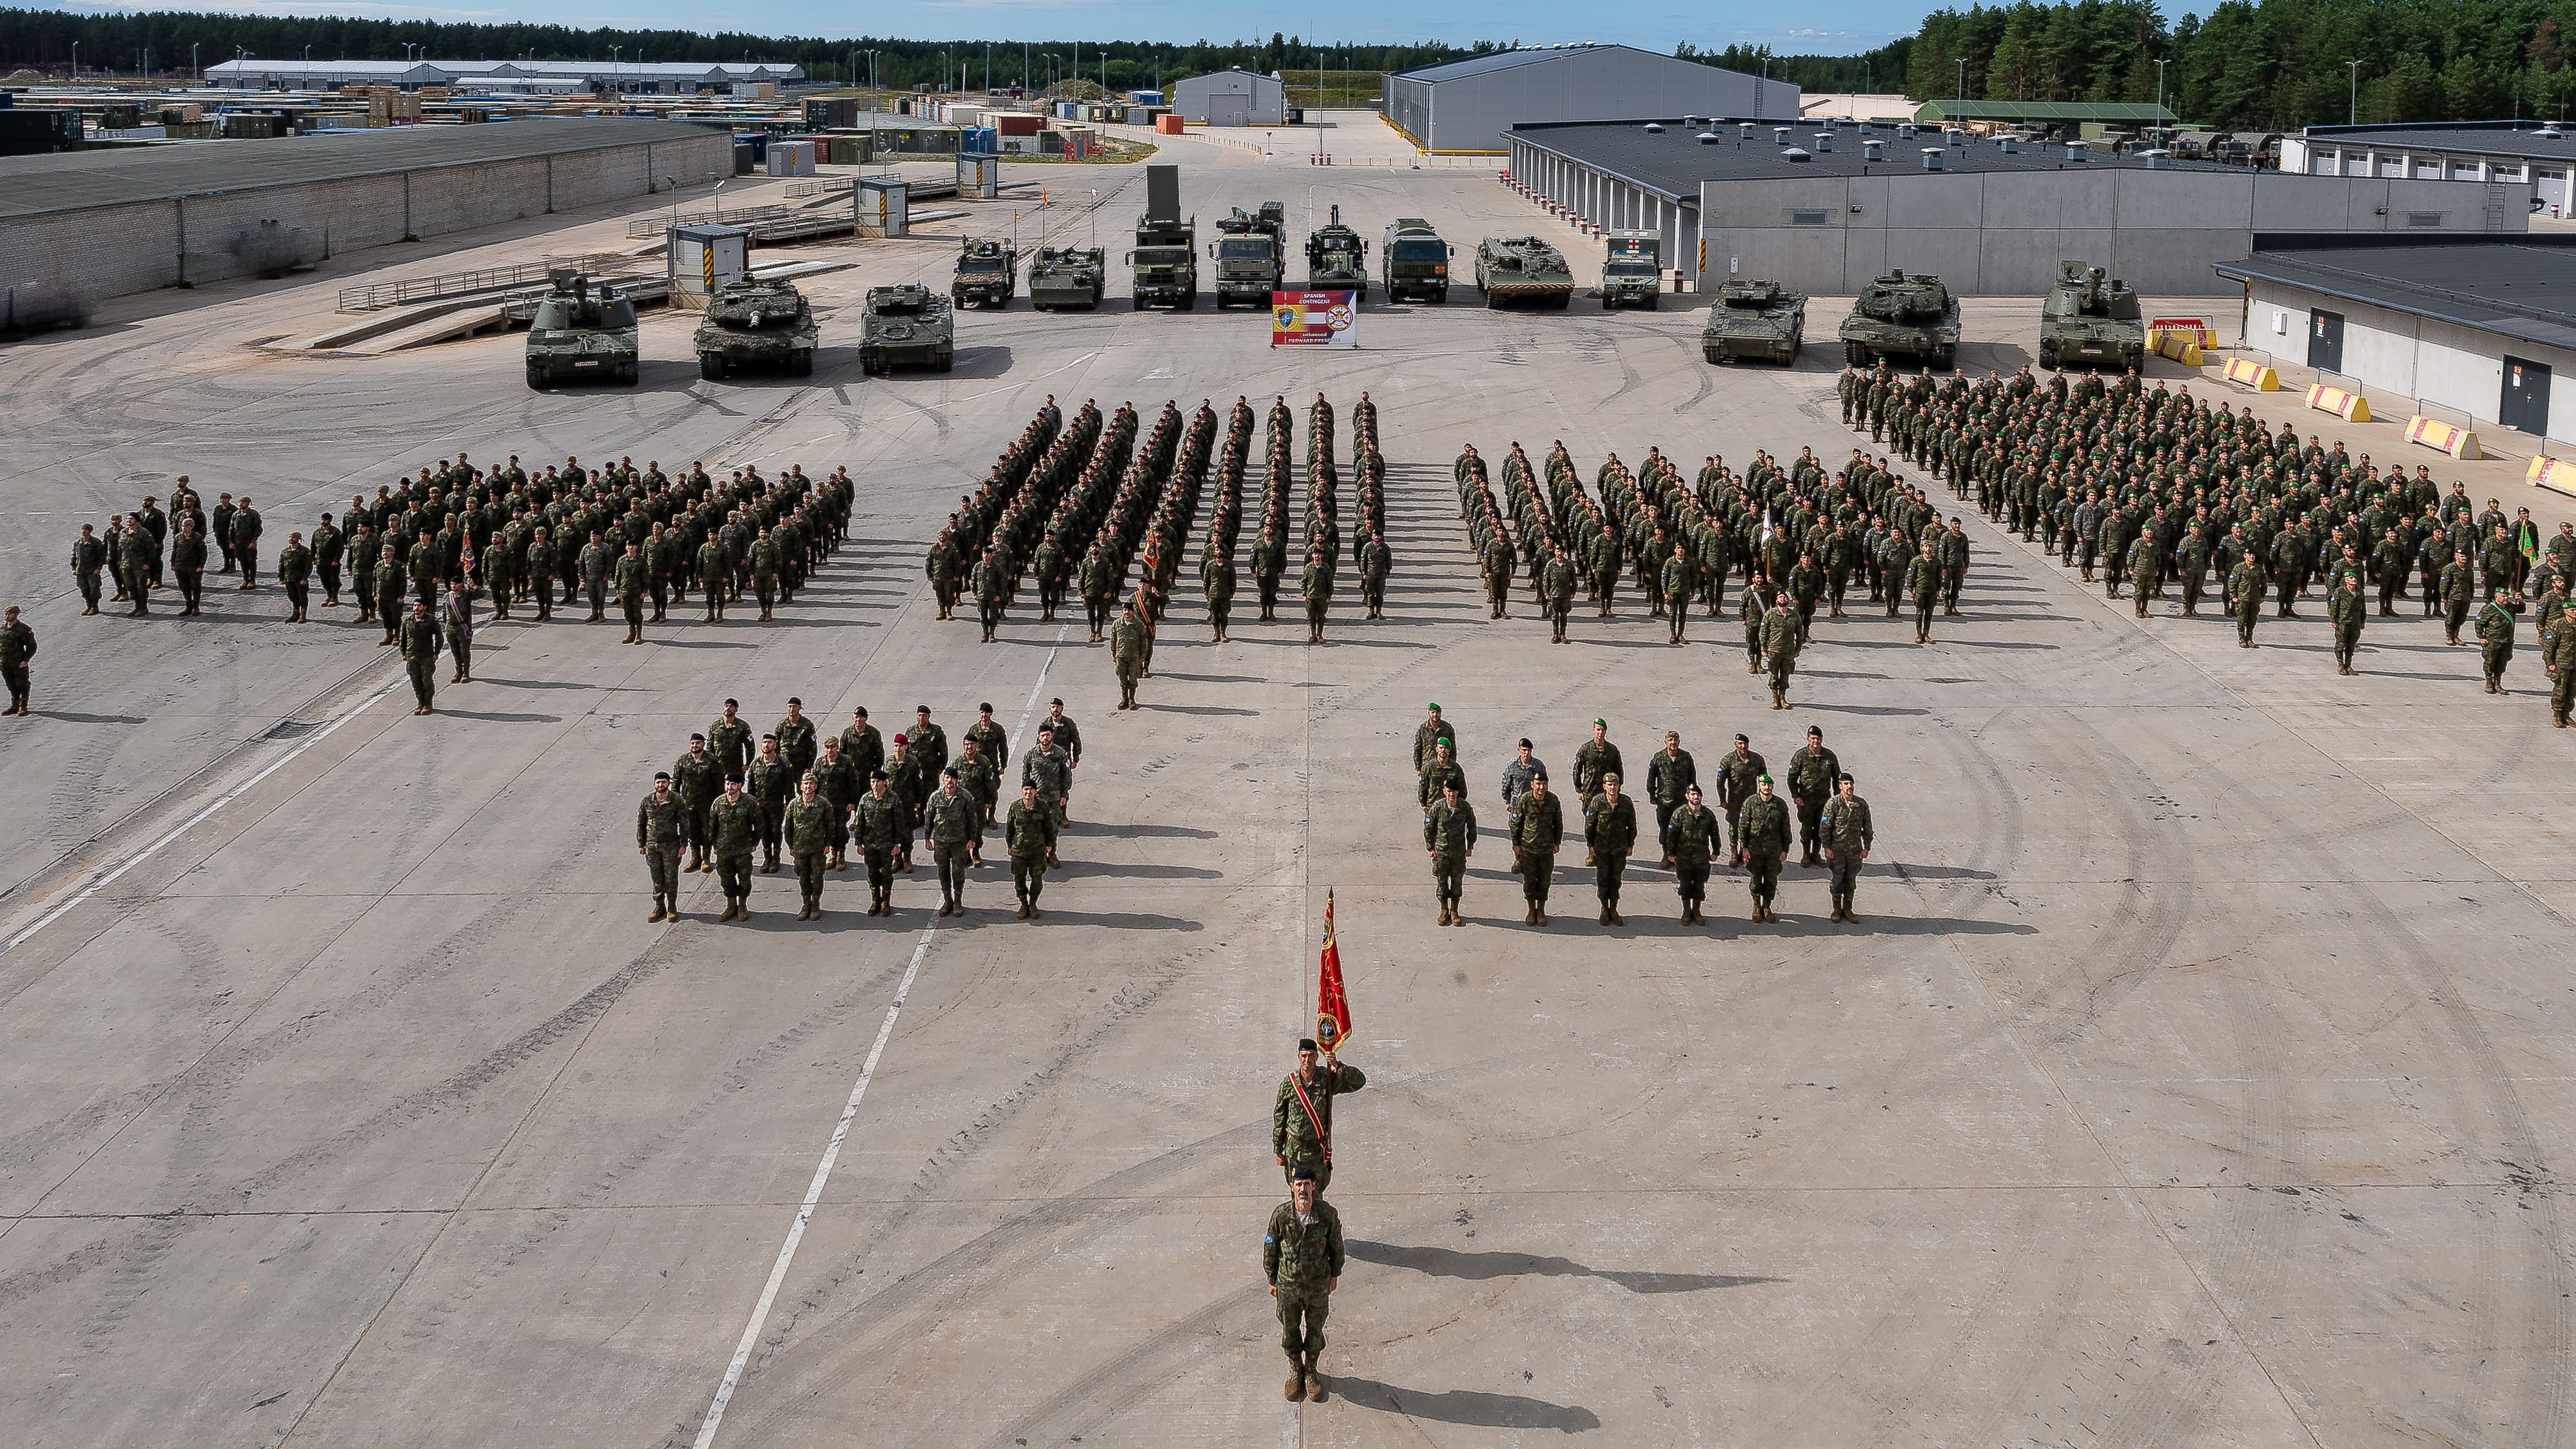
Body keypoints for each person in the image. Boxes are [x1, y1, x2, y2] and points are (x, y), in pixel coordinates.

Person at [1264, 1165, 1343, 1404]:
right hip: (1288, 1286)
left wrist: (1335, 1273)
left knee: (1315, 1329)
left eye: (1307, 1185)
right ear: (1292, 1187)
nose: (1303, 1189)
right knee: (1290, 1329)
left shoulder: (1327, 1215)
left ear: (1314, 1187)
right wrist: (1271, 1278)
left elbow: (1336, 1247)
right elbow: (1271, 1246)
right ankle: (1295, 1368)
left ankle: (1310, 1370)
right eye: (1299, 1185)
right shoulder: (1281, 1216)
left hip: (1318, 1286)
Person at [1273, 1037, 1365, 1194]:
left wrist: (1338, 1066)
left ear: (1317, 1057)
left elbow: (1359, 1082)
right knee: (1298, 1193)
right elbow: (1280, 1117)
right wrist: (1278, 1149)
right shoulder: (1289, 1084)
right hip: (1294, 1151)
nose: (1307, 1060)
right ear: (1298, 1057)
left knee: (1315, 1194)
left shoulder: (1326, 1078)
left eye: (1311, 1056)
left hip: (1317, 1151)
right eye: (1304, 1056)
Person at [1735, 774, 1793, 922]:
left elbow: (1786, 828)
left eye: (1769, 785)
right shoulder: (1750, 803)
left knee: (1771, 881)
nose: (1767, 788)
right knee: (1755, 879)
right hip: (1755, 850)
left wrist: (1785, 849)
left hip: (1774, 851)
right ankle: (1756, 906)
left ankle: (1767, 907)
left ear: (1772, 787)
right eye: (1764, 785)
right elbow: (1743, 827)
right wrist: (1744, 847)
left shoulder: (1780, 804)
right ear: (1759, 786)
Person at [924, 768, 981, 917]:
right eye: (947, 778)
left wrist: (972, 839)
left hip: (959, 842)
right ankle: (947, 900)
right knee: (942, 872)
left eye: (952, 779)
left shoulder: (964, 796)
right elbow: (929, 818)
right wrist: (927, 838)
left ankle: (957, 900)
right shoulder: (935, 797)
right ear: (943, 780)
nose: (950, 781)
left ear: (957, 780)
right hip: (941, 842)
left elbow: (972, 819)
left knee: (958, 872)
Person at [1784, 726, 1841, 868]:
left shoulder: (1829, 756)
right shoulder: (1800, 756)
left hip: (1824, 800)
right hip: (1806, 800)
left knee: (1822, 827)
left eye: (1818, 738)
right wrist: (1796, 795)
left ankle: (1816, 854)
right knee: (1807, 828)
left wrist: (1838, 797)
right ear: (1808, 739)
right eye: (1813, 738)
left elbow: (1837, 777)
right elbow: (1792, 778)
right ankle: (1805, 855)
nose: (1816, 741)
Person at [1821, 773, 1873, 924]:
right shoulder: (1833, 804)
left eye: (1851, 784)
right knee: (1837, 880)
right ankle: (1837, 909)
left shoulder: (1861, 805)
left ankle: (1848, 909)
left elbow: (1868, 827)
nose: (1849, 786)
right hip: (1836, 851)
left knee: (1851, 881)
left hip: (1854, 851)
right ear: (1840, 786)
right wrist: (1826, 847)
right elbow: (1825, 827)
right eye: (1846, 784)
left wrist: (1867, 846)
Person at [1512, 770, 1562, 926]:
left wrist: (1557, 842)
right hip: (1528, 849)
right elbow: (1516, 824)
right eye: (1538, 784)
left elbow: (1558, 823)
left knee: (1544, 881)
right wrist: (1516, 844)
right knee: (1529, 881)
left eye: (1544, 784)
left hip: (1546, 849)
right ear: (1532, 785)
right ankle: (1530, 910)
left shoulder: (1553, 800)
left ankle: (1541, 910)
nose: (1541, 788)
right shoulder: (1525, 800)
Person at [783, 773, 835, 920]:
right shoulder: (794, 804)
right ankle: (806, 905)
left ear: (816, 786)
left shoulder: (823, 804)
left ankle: (816, 904)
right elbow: (788, 827)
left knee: (817, 877)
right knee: (803, 877)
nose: (808, 787)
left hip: (818, 848)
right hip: (800, 848)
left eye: (812, 784)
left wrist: (828, 844)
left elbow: (830, 825)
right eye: (806, 784)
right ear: (801, 787)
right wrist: (790, 845)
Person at [1587, 772, 1637, 927]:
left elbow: (1632, 825)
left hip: (1619, 848)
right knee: (1603, 879)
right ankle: (1604, 909)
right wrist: (1590, 845)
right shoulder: (1597, 802)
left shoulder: (1626, 802)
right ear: (1604, 786)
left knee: (1615, 880)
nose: (1612, 788)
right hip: (1601, 849)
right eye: (1609, 785)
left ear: (1619, 786)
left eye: (1615, 785)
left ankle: (1613, 910)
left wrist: (1630, 844)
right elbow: (1590, 825)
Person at [1668, 781, 1722, 924]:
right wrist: (1671, 852)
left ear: (1701, 797)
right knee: (1685, 885)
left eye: (1698, 794)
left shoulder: (1708, 815)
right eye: (1693, 794)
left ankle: (1697, 911)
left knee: (1699, 885)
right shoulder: (1679, 814)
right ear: (1687, 796)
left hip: (1701, 857)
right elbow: (1672, 834)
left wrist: (1716, 850)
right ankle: (1686, 911)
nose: (1695, 797)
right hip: (1684, 857)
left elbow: (1715, 834)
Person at [708, 774, 761, 921]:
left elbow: (759, 824)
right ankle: (731, 905)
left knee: (744, 880)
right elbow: (713, 826)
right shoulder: (718, 803)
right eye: (727, 784)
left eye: (733, 784)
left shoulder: (750, 803)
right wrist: (715, 845)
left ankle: (742, 905)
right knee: (726, 880)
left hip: (743, 850)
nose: (729, 788)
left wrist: (754, 843)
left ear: (740, 786)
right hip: (724, 850)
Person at [1425, 777, 1475, 926]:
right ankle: (1443, 910)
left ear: (1457, 792)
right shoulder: (1438, 807)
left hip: (1458, 852)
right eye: (1449, 791)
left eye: (1454, 791)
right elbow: (1429, 827)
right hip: (1441, 853)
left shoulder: (1465, 807)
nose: (1451, 794)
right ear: (1444, 791)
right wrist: (1430, 847)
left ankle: (1454, 911)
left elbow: (1472, 826)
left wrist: (1470, 845)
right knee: (1441, 882)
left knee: (1457, 883)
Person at [1005, 780, 1058, 919]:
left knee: (1037, 881)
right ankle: (1023, 904)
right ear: (1022, 791)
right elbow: (1010, 829)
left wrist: (1049, 845)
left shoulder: (1042, 807)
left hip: (1037, 851)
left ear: (1036, 791)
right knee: (1019, 881)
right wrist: (1009, 845)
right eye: (1026, 789)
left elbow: (1050, 828)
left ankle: (1033, 903)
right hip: (1019, 852)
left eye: (1031, 790)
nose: (1028, 792)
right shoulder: (1015, 807)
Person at [638, 770, 686, 922]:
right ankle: (659, 906)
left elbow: (684, 824)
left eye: (664, 782)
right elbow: (641, 823)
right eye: (658, 782)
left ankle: (672, 908)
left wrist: (684, 844)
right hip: (652, 846)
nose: (661, 785)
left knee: (671, 878)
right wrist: (642, 843)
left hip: (671, 845)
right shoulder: (647, 801)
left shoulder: (677, 800)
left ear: (669, 784)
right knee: (656, 877)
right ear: (654, 784)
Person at [854, 770, 905, 915]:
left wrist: (898, 844)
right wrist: (858, 842)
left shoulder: (893, 799)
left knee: (887, 873)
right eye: (872, 782)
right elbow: (860, 823)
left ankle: (886, 901)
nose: (874, 785)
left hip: (887, 844)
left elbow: (899, 824)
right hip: (870, 844)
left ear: (884, 782)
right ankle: (875, 900)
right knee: (872, 873)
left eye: (877, 782)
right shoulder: (865, 799)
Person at [1572, 719, 1621, 864]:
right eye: (1598, 730)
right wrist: (1579, 789)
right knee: (1591, 825)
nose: (1600, 733)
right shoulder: (1585, 749)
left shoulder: (1612, 750)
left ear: (1606, 732)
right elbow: (1577, 770)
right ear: (1593, 730)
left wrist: (1617, 790)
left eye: (1602, 730)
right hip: (1589, 793)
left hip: (1607, 794)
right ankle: (1592, 854)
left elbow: (1619, 771)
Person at [674, 734, 723, 873]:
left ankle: (706, 859)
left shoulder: (712, 760)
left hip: (707, 804)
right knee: (692, 832)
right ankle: (696, 858)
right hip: (688, 804)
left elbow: (719, 783)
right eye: (693, 743)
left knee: (707, 831)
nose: (695, 746)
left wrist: (718, 803)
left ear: (703, 745)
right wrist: (676, 802)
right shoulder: (683, 761)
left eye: (698, 743)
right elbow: (676, 782)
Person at [1646, 730, 1696, 865]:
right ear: (1666, 742)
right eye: (1670, 740)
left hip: (1682, 802)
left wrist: (1692, 796)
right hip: (1665, 801)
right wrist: (1652, 795)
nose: (1673, 743)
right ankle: (1666, 854)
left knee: (1682, 829)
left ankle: (1678, 855)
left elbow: (1692, 778)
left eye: (1675, 740)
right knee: (1665, 829)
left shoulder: (1686, 757)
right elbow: (1651, 778)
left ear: (1679, 742)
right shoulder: (1658, 758)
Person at [400, 600, 441, 714]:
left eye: (419, 606)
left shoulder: (431, 620)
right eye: (415, 606)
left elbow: (439, 637)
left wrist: (436, 652)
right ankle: (420, 703)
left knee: (427, 681)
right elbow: (403, 638)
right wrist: (403, 653)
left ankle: (428, 703)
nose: (417, 608)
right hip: (412, 657)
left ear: (424, 607)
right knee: (416, 682)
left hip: (426, 656)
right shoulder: (407, 621)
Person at [2479, 590, 2522, 694]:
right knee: (2490, 661)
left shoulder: (2510, 607)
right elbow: (2479, 623)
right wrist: (2481, 637)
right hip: (2493, 640)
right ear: (2496, 597)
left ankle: (2497, 683)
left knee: (2502, 662)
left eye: (2507, 596)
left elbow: (2521, 610)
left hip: (2507, 640)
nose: (2506, 598)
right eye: (2503, 596)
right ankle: (2489, 682)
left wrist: (2520, 601)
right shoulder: (2489, 609)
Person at [1762, 591, 1800, 708]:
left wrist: (1798, 649)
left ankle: (1782, 697)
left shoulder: (1794, 616)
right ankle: (1774, 697)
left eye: (1785, 597)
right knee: (1774, 675)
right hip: (1774, 650)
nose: (1783, 599)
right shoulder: (1770, 614)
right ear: (1777, 600)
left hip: (1788, 651)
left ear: (1788, 600)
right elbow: (1763, 632)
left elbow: (1800, 633)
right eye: (1780, 597)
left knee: (1785, 675)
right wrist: (1763, 648)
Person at [1111, 602, 1149, 709]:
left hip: (1134, 657)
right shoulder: (1117, 624)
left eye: (1129, 611)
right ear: (1122, 612)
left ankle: (1132, 699)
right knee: (1122, 680)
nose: (1127, 613)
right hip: (1121, 656)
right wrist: (1113, 654)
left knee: (1133, 679)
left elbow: (1143, 641)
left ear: (1133, 612)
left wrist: (1142, 656)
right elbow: (1113, 640)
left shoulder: (1139, 624)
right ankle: (1124, 699)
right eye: (1125, 610)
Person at [2329, 572, 2366, 676]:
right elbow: (2334, 607)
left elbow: (2363, 608)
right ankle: (2341, 665)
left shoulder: (2360, 592)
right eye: (2351, 578)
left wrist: (2363, 621)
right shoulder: (2339, 592)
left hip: (2355, 623)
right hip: (2343, 622)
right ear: (2345, 580)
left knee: (2351, 645)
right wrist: (2334, 620)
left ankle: (2348, 665)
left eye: (2355, 577)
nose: (2354, 579)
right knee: (2341, 644)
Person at [0, 606, 32, 716]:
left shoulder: (23, 629)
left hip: (18, 662)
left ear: (16, 615)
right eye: (6, 614)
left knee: (22, 684)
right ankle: (14, 705)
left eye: (9, 614)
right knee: (11, 684)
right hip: (5, 663)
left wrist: (26, 660)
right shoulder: (2, 629)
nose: (6, 616)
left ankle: (23, 706)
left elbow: (32, 645)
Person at [171, 520, 206, 616]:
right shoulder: (178, 537)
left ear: (191, 527)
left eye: (186, 526)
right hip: (180, 566)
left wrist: (201, 565)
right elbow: (175, 551)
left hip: (193, 567)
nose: (184, 528)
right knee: (184, 586)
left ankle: (196, 606)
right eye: (183, 526)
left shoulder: (197, 537)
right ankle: (188, 606)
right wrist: (173, 564)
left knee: (195, 587)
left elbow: (203, 553)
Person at [616, 541, 649, 644]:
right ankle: (631, 633)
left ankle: (639, 634)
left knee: (637, 613)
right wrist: (618, 591)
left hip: (637, 592)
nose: (631, 548)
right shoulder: (622, 560)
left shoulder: (641, 560)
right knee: (628, 613)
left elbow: (646, 576)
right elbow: (618, 576)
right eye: (629, 546)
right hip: (625, 591)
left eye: (633, 546)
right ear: (626, 547)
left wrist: (645, 591)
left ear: (636, 547)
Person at [444, 579, 474, 683]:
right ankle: (459, 672)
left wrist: (473, 586)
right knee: (455, 652)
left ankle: (466, 672)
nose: (454, 586)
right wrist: (446, 625)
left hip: (463, 628)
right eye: (452, 584)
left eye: (456, 584)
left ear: (461, 584)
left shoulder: (466, 595)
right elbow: (445, 612)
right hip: (451, 629)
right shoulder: (448, 596)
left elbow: (481, 594)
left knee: (464, 652)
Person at [278, 532, 312, 623]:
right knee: (292, 596)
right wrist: (281, 578)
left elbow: (308, 566)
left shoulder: (305, 551)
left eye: (293, 537)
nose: (291, 538)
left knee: (302, 596)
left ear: (298, 539)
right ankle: (295, 613)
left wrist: (305, 578)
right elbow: (281, 566)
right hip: (289, 578)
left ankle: (303, 615)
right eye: (290, 537)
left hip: (300, 579)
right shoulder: (285, 551)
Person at [72, 525, 106, 615]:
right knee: (84, 589)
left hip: (92, 570)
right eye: (83, 529)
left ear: (90, 531)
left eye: (86, 530)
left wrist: (99, 568)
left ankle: (95, 606)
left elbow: (102, 557)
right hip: (81, 571)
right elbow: (74, 556)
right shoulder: (78, 542)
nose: (84, 531)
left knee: (94, 590)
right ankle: (89, 606)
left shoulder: (96, 542)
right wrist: (73, 568)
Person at [229, 496, 262, 588]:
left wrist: (254, 541)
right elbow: (232, 529)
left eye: (244, 502)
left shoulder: (253, 514)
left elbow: (258, 529)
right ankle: (245, 580)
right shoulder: (236, 515)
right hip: (239, 542)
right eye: (240, 501)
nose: (241, 503)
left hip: (249, 542)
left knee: (251, 561)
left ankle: (252, 580)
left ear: (248, 504)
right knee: (242, 561)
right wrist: (232, 542)